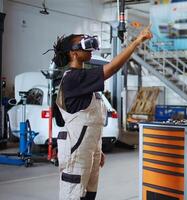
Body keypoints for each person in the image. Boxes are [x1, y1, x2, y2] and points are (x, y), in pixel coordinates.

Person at [51, 26, 152, 200]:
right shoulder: (73, 78)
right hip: (76, 151)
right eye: (85, 44)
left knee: (89, 194)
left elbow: (88, 122)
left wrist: (96, 149)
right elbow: (111, 69)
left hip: (87, 150)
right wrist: (136, 42)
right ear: (73, 53)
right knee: (73, 195)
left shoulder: (82, 79)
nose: (90, 48)